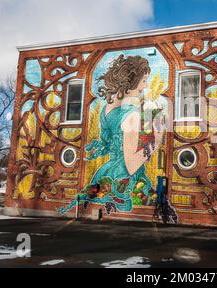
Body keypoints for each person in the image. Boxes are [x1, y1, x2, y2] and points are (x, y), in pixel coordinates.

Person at [57, 55, 165, 215]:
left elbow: (108, 144)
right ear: (132, 81)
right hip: (124, 182)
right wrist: (156, 140)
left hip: (106, 173)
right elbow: (131, 165)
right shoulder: (132, 116)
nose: (145, 86)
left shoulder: (106, 110)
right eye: (143, 80)